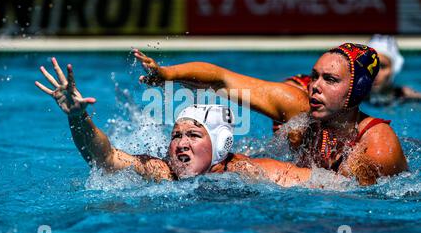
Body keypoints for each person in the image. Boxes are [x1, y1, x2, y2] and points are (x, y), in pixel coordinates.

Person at [134, 43, 408, 185]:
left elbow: (348, 205)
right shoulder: (299, 107)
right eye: (314, 77)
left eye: (330, 80)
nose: (315, 87)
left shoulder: (376, 148)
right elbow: (221, 80)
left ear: (357, 90)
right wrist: (166, 74)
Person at [34, 58, 312, 187]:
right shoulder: (164, 172)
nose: (181, 143)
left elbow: (327, 185)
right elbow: (105, 158)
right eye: (176, 135)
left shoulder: (247, 172)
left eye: (193, 134)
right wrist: (78, 118)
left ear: (220, 145)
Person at [284, 35, 421, 105]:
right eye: (370, 66)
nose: (375, 72)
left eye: (382, 67)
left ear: (394, 70)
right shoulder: (348, 96)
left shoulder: (405, 97)